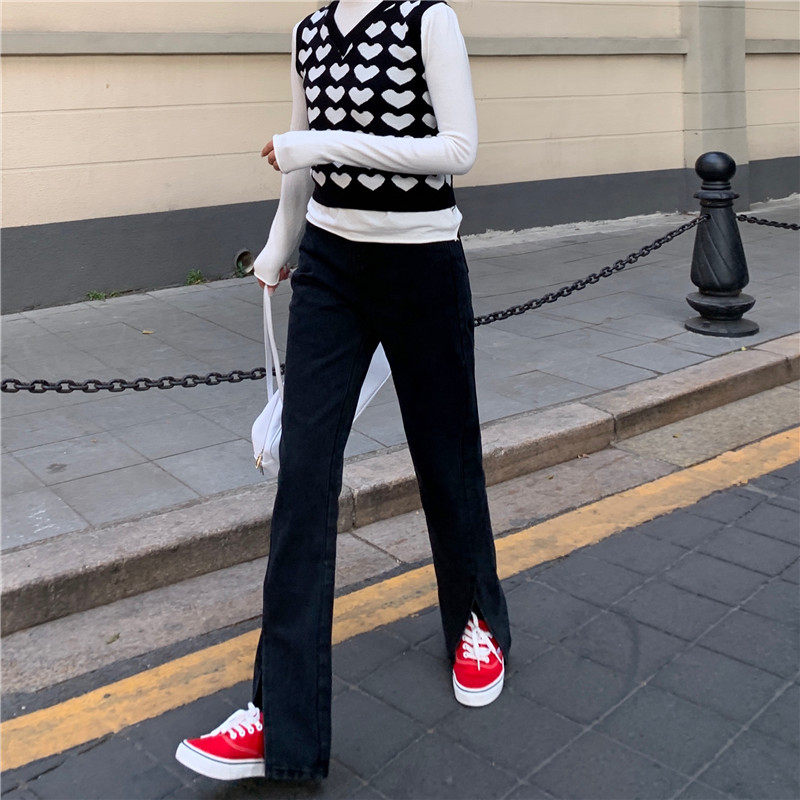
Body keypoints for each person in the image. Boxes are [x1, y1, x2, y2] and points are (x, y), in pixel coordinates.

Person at [175, 0, 511, 783]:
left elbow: (457, 150)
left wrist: (317, 144)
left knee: (446, 457)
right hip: (330, 269)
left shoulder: (429, 19)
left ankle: (476, 620)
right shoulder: (310, 32)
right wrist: (278, 245)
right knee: (302, 478)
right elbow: (300, 164)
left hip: (423, 264)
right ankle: (277, 720)